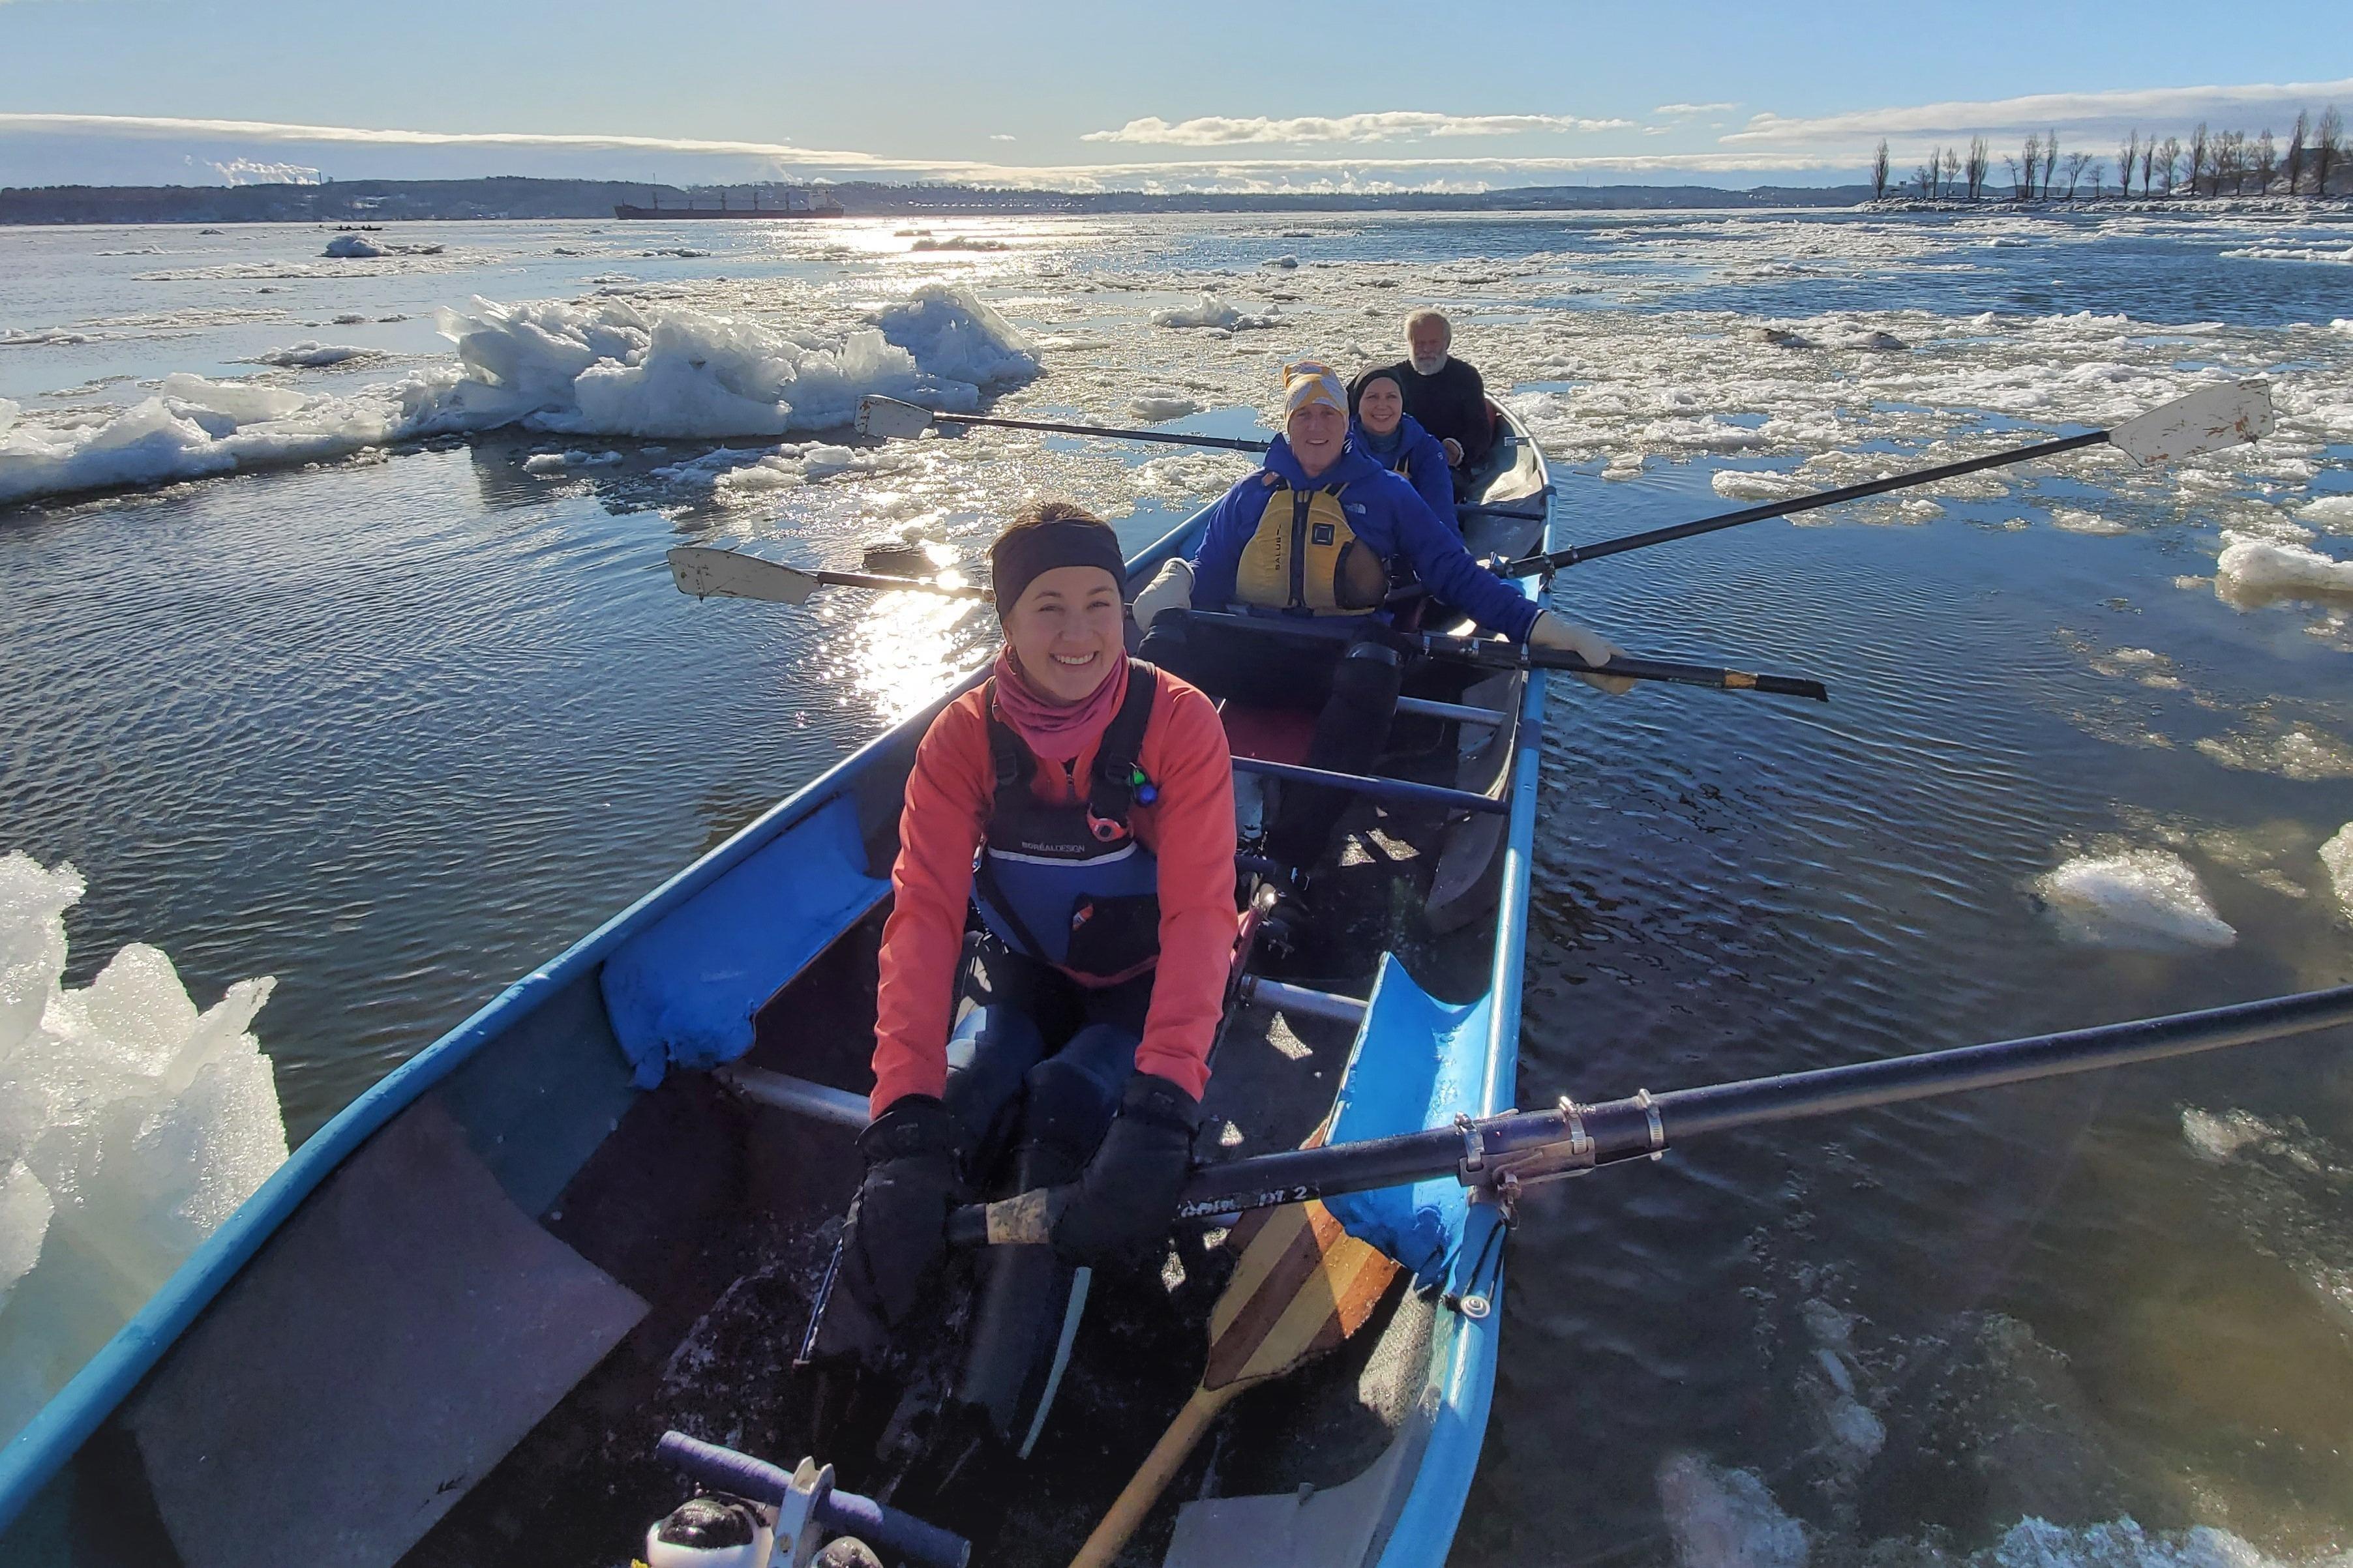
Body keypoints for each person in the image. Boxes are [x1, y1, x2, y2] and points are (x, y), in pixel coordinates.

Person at [817, 501, 1238, 1380]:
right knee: (966, 1091)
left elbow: (1202, 916)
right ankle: (834, 1380)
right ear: (1005, 622)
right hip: (1022, 969)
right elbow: (925, 917)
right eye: (1049, 605)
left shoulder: (1181, 723)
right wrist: (902, 1113)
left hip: (1144, 980)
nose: (1080, 632)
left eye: (1100, 603)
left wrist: (1163, 1104)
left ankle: (986, 1414)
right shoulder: (962, 737)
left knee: (1067, 1096)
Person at [1130, 361, 1623, 933]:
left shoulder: (1389, 494)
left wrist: (1542, 628)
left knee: (1377, 662)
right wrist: (1177, 580)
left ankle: (1287, 862)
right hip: (1260, 652)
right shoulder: (1248, 497)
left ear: (1347, 424)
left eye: (1329, 415)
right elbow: (1207, 576)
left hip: (1340, 662)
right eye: (1304, 415)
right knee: (1165, 641)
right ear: (1288, 424)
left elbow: (1455, 576)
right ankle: (1135, 797)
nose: (1316, 427)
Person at [1349, 364, 1456, 530]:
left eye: (1391, 397)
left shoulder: (1427, 449)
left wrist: (1455, 553)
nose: (1382, 405)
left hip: (1409, 539)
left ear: (1402, 402)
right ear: (1358, 403)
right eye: (1372, 397)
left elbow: (1441, 514)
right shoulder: (1339, 445)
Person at [1390, 309, 1494, 479]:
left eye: (1433, 343)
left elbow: (1479, 431)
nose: (1426, 350)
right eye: (1419, 343)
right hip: (1398, 464)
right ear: (1409, 342)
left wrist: (1458, 450)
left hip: (1450, 466)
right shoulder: (1393, 378)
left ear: (1447, 343)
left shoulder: (1466, 376)